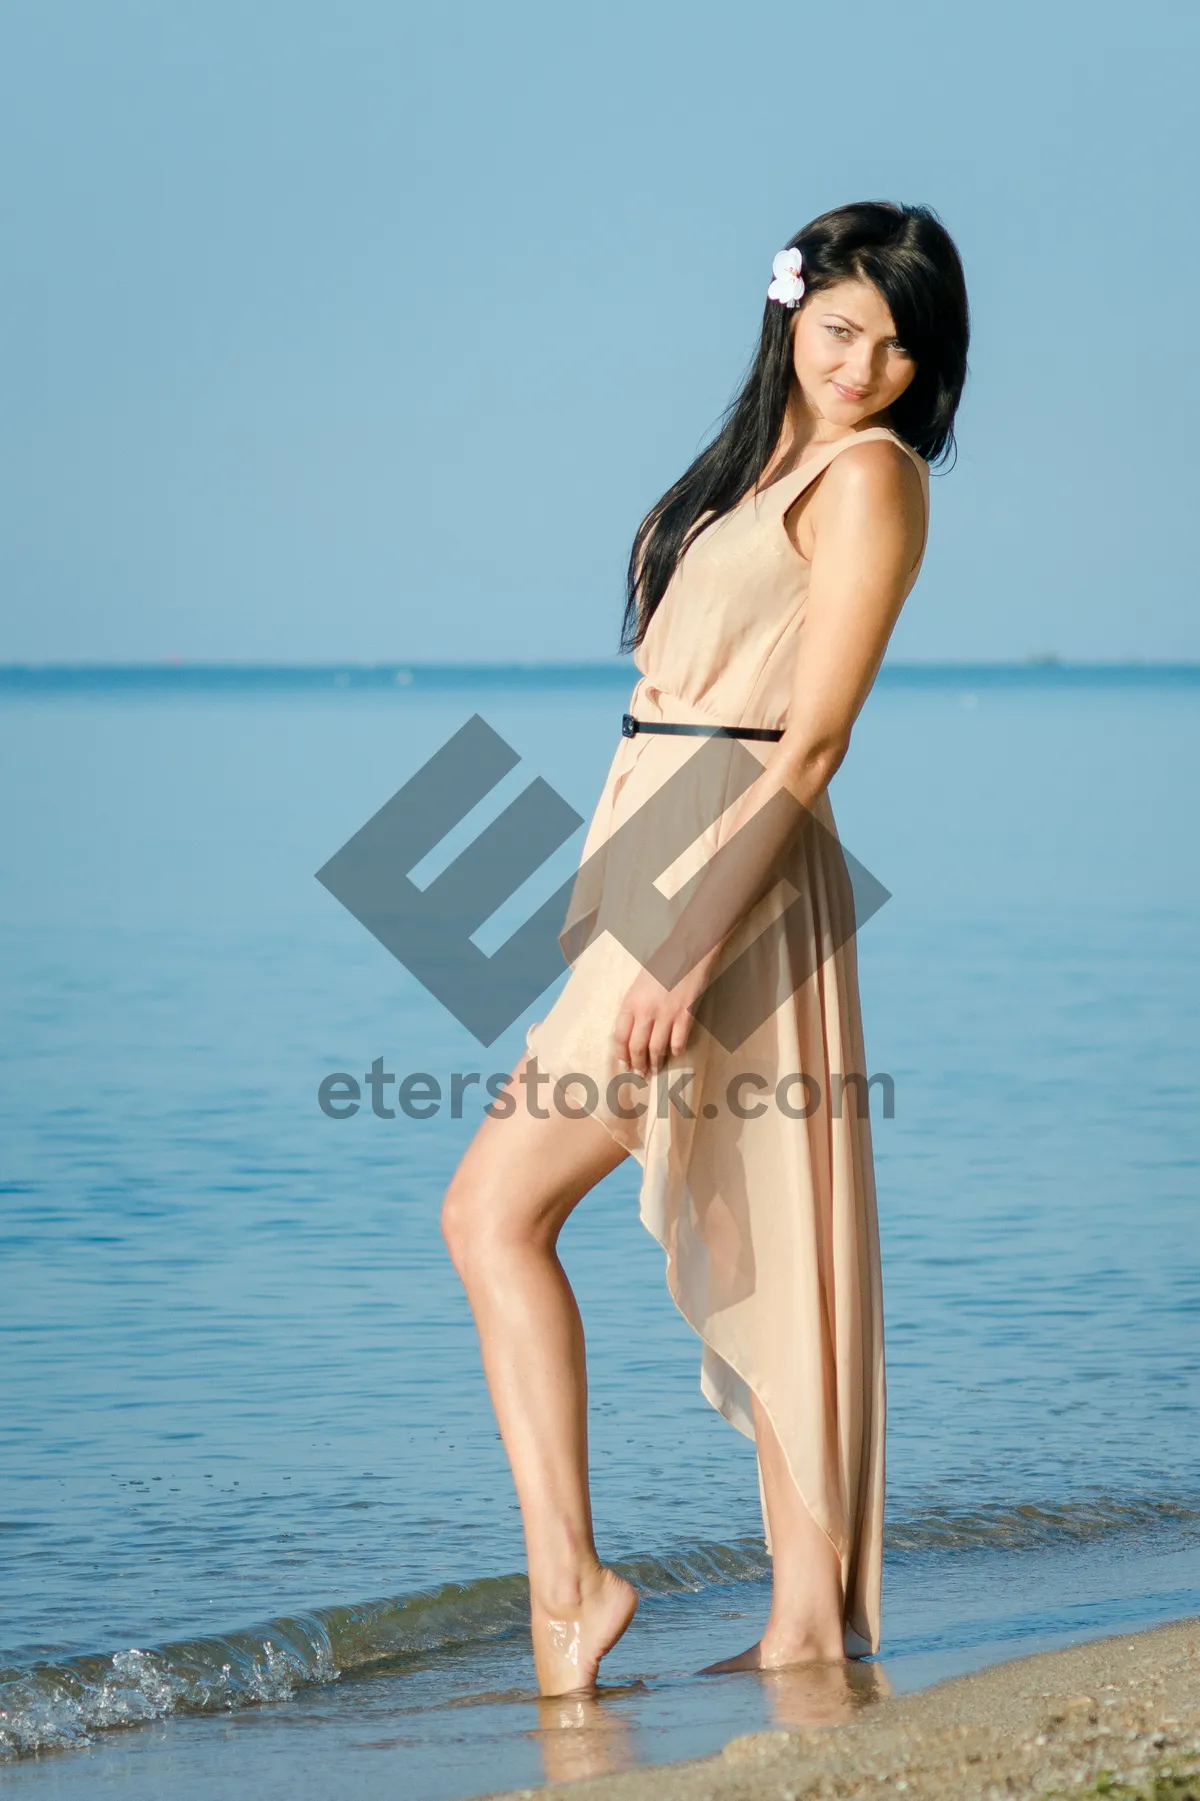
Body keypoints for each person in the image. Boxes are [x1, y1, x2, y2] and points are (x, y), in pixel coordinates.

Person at [440, 201, 970, 1698]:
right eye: (841, 328)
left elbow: (813, 748)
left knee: (490, 1212)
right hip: (662, 845)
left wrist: (677, 951)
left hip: (727, 870)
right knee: (755, 1218)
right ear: (791, 314)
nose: (864, 365)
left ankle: (574, 1593)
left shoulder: (874, 478)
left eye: (896, 345)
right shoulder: (766, 465)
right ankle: (798, 1622)